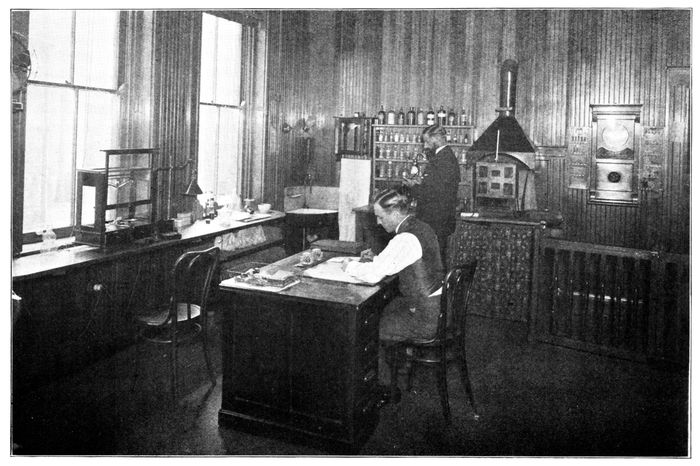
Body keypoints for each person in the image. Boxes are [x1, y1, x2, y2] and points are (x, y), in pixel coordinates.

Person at [341, 188, 444, 401]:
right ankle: (400, 365)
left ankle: (383, 387)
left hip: (424, 317)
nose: (378, 222)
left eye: (380, 216)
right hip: (438, 308)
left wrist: (348, 266)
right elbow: (401, 260)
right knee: (383, 310)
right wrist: (378, 259)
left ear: (395, 212)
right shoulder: (421, 227)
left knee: (366, 327)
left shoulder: (405, 238)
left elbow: (373, 275)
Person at [402, 124, 460, 262]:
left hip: (435, 219)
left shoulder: (443, 159)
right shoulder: (443, 156)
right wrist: (421, 183)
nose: (425, 146)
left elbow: (434, 193)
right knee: (435, 258)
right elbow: (436, 186)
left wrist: (413, 187)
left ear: (437, 138)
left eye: (427, 141)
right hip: (438, 218)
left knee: (434, 259)